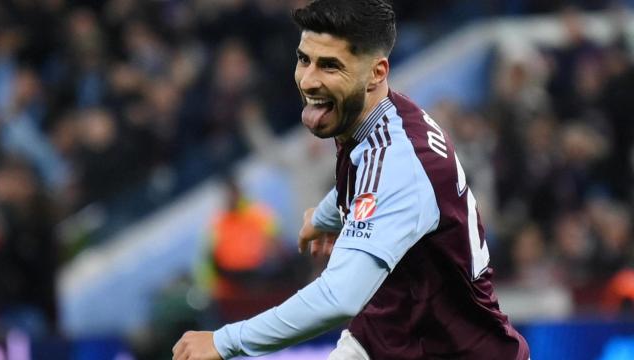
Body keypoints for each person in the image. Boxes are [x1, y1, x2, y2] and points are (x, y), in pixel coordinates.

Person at [172, 0, 531, 359]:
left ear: (376, 73)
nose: (309, 80)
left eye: (330, 66)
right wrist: (325, 217)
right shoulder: (384, 115)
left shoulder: (399, 164)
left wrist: (224, 341)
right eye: (304, 59)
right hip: (392, 329)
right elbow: (363, 176)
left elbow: (338, 298)